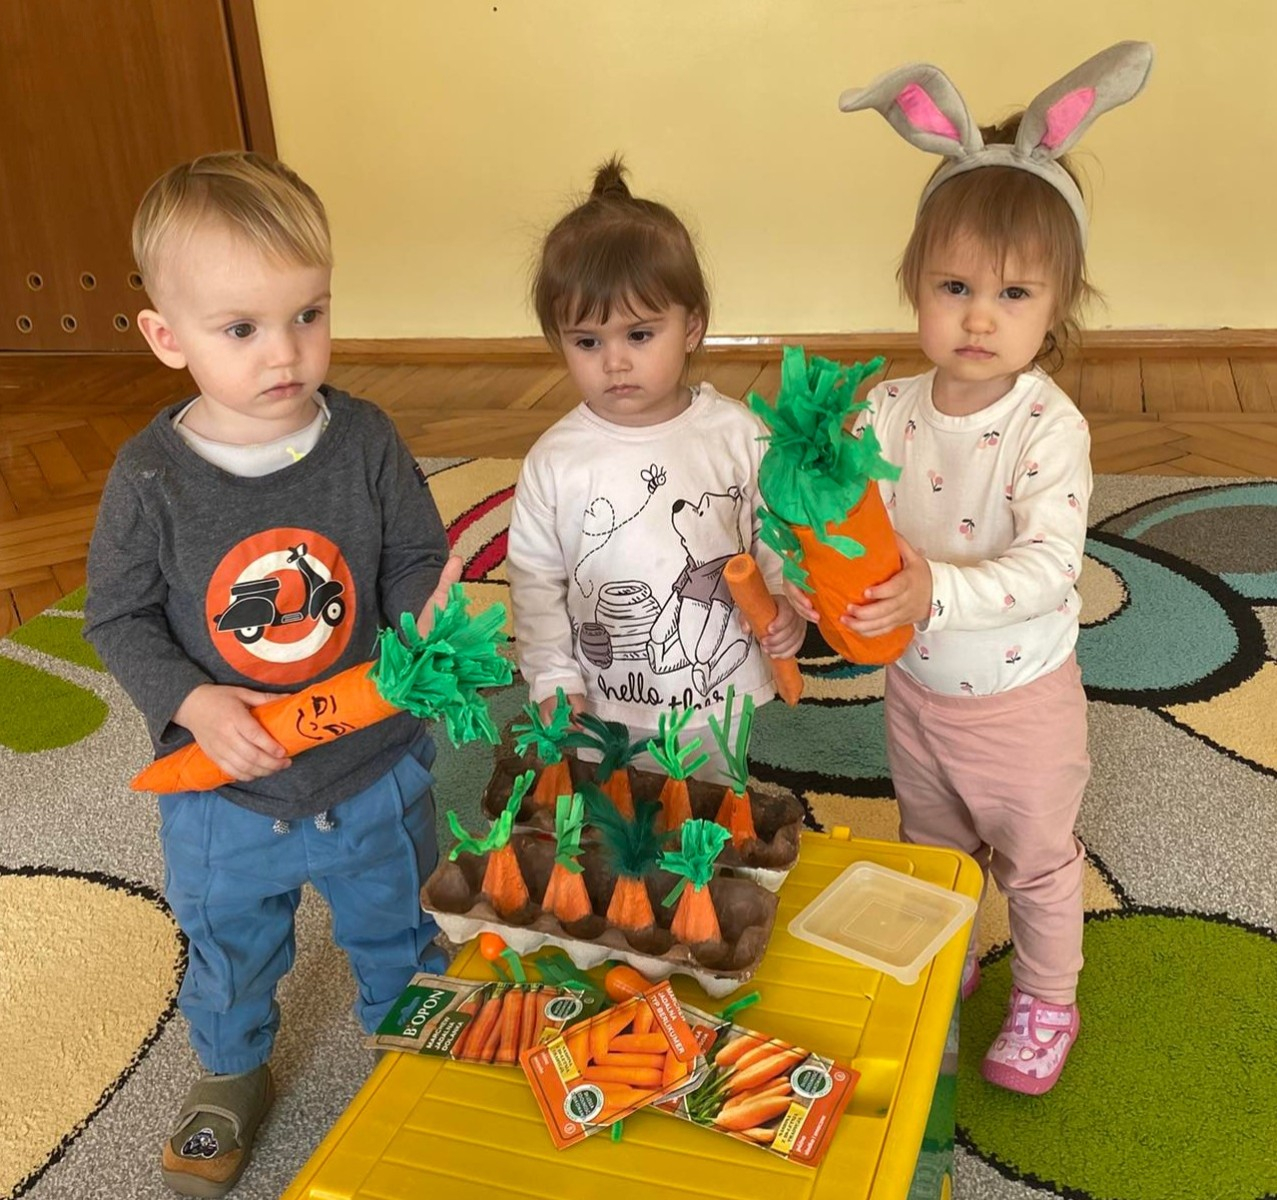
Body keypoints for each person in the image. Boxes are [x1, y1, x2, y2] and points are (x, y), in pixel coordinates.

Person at [84, 151, 460, 1195]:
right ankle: (230, 1068)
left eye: (308, 314)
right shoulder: (150, 477)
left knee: (400, 921)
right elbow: (117, 616)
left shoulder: (365, 438)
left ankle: (412, 1050)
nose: (286, 352)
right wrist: (193, 701)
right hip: (227, 791)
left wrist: (421, 613)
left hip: (371, 766)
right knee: (229, 944)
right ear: (168, 337)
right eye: (241, 329)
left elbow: (413, 554)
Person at [804, 43, 1153, 1093]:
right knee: (933, 844)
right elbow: (835, 515)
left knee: (1036, 863)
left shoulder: (1048, 428)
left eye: (1012, 292)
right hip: (915, 690)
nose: (978, 316)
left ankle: (1046, 998)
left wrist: (935, 591)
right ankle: (948, 944)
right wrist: (794, 559)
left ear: (1057, 304)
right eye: (952, 286)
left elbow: (1049, 568)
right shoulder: (883, 410)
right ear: (913, 284)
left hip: (1018, 703)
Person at [507, 158, 804, 779]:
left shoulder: (739, 434)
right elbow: (535, 581)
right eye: (587, 342)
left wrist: (782, 603)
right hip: (601, 702)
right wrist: (552, 674)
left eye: (639, 335)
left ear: (691, 327)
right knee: (612, 822)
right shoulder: (554, 461)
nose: (614, 362)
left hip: (715, 694)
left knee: (711, 815)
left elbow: (773, 531)